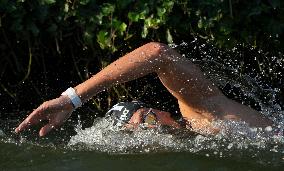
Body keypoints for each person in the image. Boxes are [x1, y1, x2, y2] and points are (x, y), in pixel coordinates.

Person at [15, 42, 273, 136]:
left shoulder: (202, 112)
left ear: (160, 110)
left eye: (146, 119)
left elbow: (157, 53)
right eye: (137, 133)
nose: (152, 129)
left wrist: (72, 99)